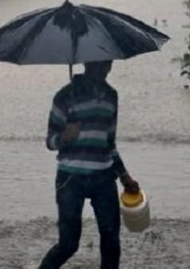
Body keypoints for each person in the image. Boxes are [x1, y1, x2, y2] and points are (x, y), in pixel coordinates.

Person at [39, 60, 139, 269]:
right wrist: (64, 137)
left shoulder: (112, 96)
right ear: (86, 62)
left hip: (103, 177)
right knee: (68, 244)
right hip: (70, 179)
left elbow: (109, 142)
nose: (104, 68)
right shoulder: (64, 96)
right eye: (98, 63)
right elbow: (50, 141)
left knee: (111, 238)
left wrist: (124, 175)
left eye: (107, 63)